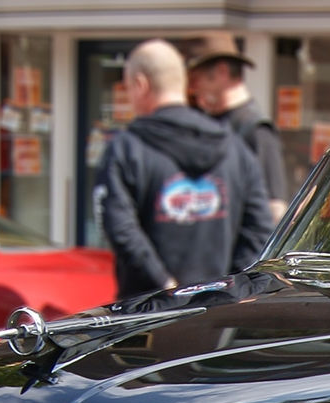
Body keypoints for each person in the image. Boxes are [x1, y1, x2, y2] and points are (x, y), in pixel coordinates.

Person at [95, 39, 274, 299]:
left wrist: (167, 286)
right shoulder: (235, 149)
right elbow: (259, 230)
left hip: (144, 315)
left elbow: (120, 230)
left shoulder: (126, 149)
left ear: (141, 85)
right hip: (217, 316)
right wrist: (227, 289)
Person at [186, 31, 290, 221]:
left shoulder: (256, 130)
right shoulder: (209, 122)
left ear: (222, 72)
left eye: (195, 79)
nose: (193, 88)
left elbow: (274, 209)